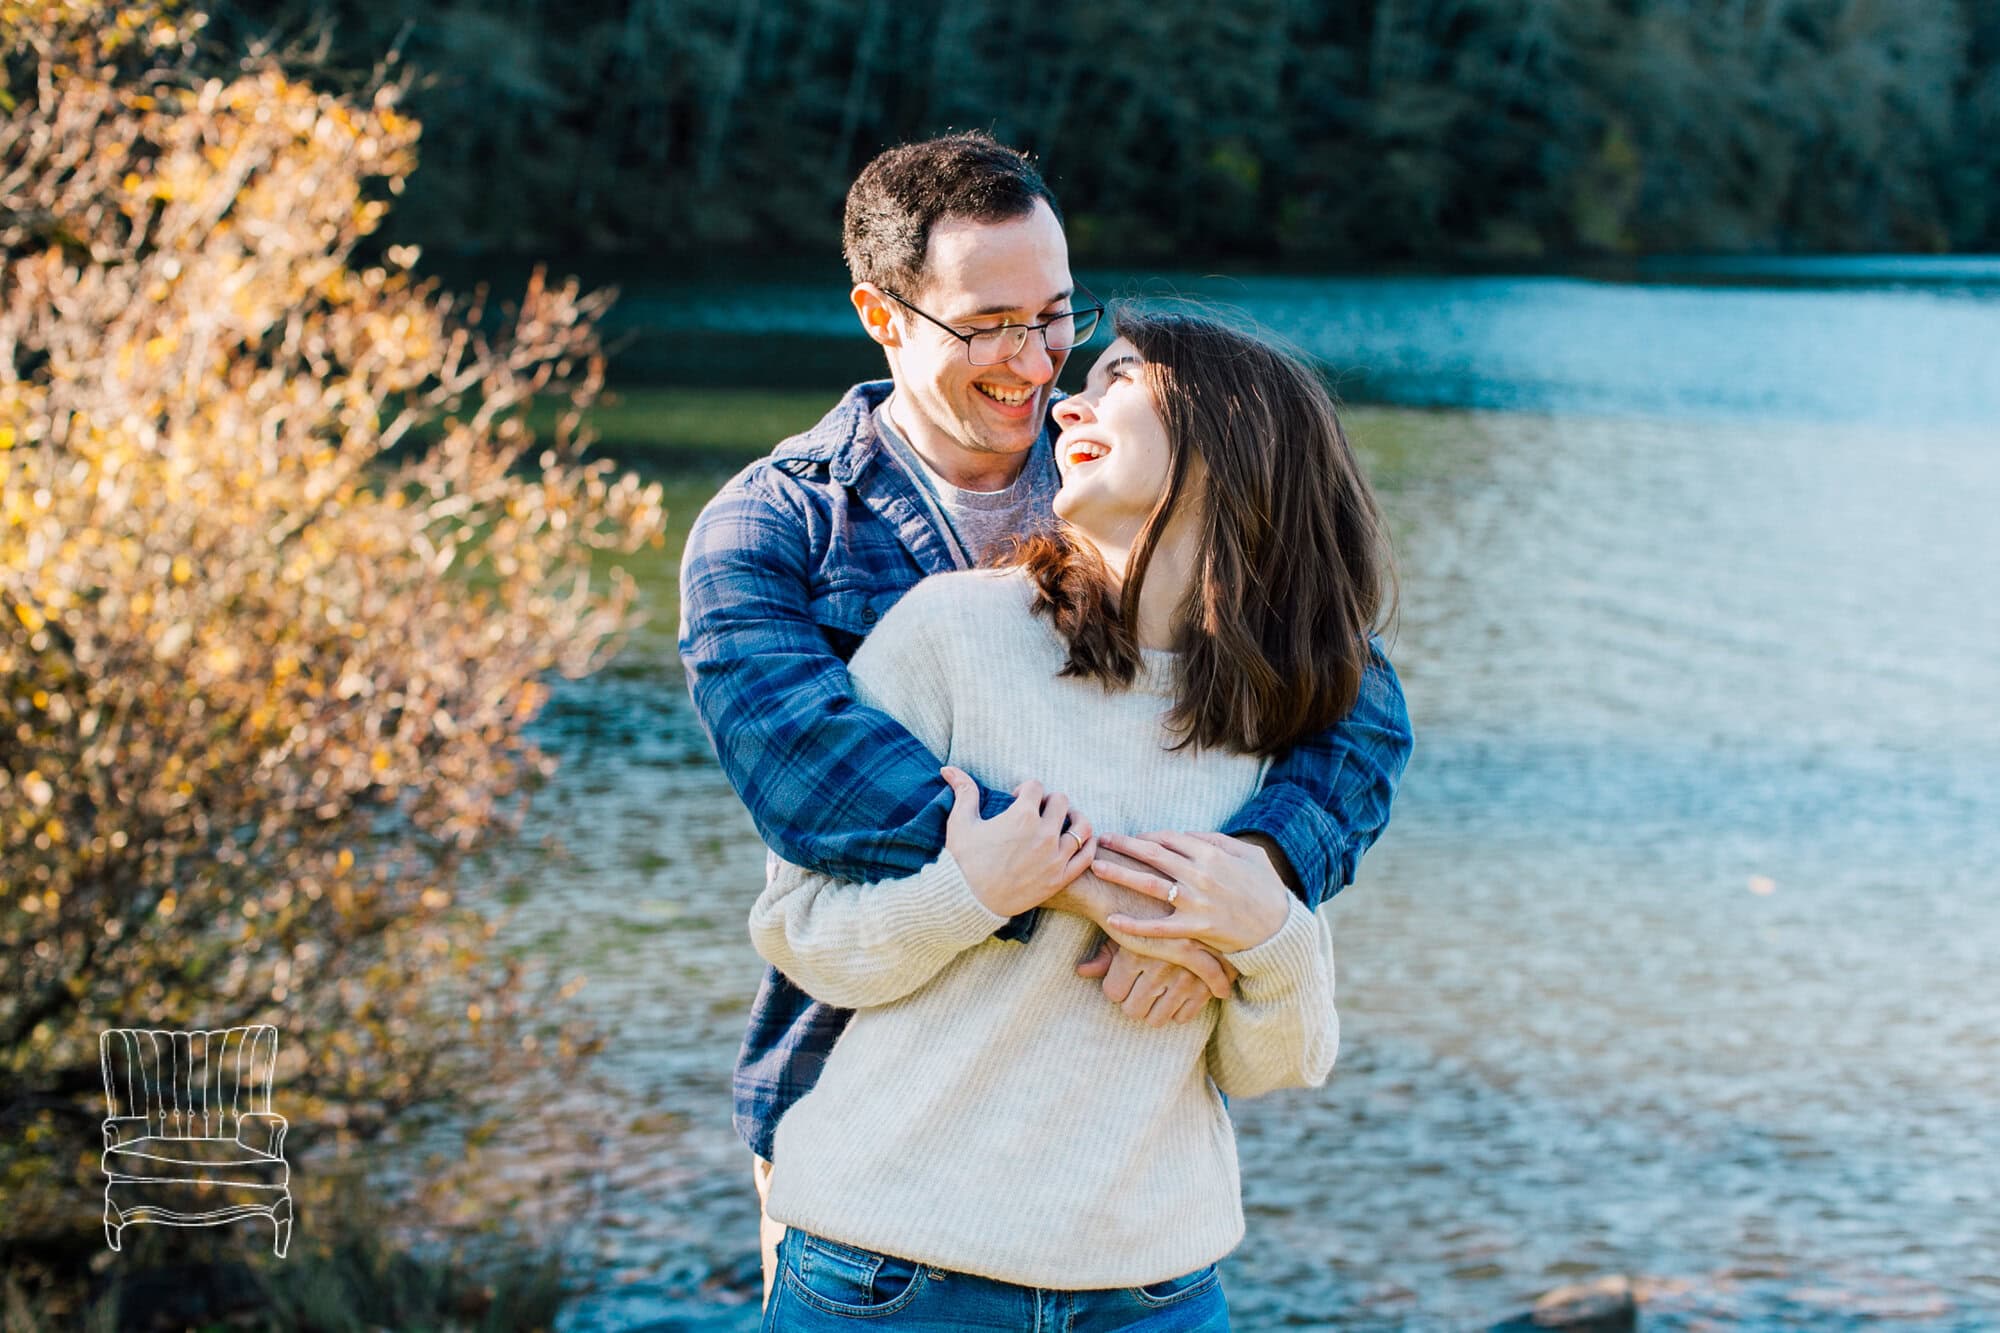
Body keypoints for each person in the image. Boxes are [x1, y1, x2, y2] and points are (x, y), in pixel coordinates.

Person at [675, 132, 1413, 1306]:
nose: (1036, 364)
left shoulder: (1131, 487)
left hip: (1119, 1207)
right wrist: (1122, 892)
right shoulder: (774, 533)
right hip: (861, 1112)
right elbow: (817, 783)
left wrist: (1241, 883)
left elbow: (1353, 707)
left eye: (1056, 315)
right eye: (988, 324)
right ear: (884, 315)